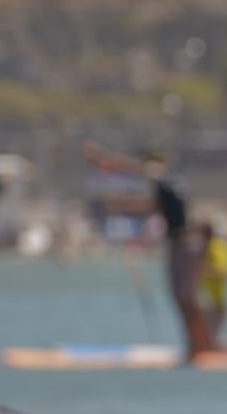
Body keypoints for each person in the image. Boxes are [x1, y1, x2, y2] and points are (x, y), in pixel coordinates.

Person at [84, 144, 216, 358]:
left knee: (185, 297)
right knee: (184, 298)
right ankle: (198, 345)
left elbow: (138, 169)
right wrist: (118, 207)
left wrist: (102, 155)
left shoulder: (165, 180)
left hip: (183, 244)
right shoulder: (168, 187)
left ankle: (202, 347)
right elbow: (148, 206)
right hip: (183, 244)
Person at [197, 219, 227, 345]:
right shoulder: (204, 246)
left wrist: (201, 268)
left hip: (216, 296)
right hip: (207, 295)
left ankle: (212, 346)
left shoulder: (216, 247)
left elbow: (223, 271)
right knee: (209, 329)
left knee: (212, 328)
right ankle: (209, 344)